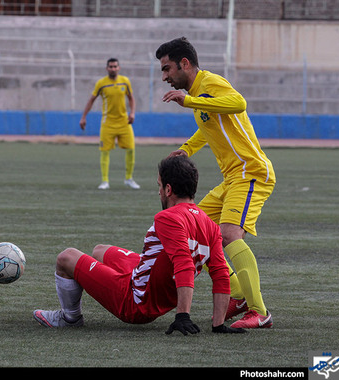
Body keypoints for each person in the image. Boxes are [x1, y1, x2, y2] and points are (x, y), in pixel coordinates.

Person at [34, 155, 246, 335]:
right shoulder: (209, 223)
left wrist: (183, 316)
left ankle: (70, 318)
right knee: (100, 250)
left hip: (135, 303)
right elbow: (219, 272)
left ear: (169, 189)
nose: (159, 192)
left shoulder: (168, 217)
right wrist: (218, 325)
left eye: (159, 186)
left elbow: (184, 264)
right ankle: (110, 278)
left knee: (66, 257)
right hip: (154, 287)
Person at [156, 37, 275, 329]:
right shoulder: (199, 94)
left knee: (230, 234)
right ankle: (237, 293)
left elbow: (238, 103)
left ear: (185, 64)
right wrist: (187, 148)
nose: (165, 77)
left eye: (167, 68)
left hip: (250, 172)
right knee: (199, 228)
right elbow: (207, 127)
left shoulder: (209, 83)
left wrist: (191, 101)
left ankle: (259, 312)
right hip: (231, 179)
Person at [79, 58, 139, 190]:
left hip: (124, 122)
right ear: (107, 68)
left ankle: (129, 178)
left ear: (119, 68)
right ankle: (105, 181)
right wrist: (83, 117)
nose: (113, 69)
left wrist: (132, 113)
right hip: (108, 124)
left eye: (115, 66)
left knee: (131, 149)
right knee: (104, 151)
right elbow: (91, 100)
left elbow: (131, 98)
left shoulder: (125, 81)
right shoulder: (101, 83)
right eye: (110, 67)